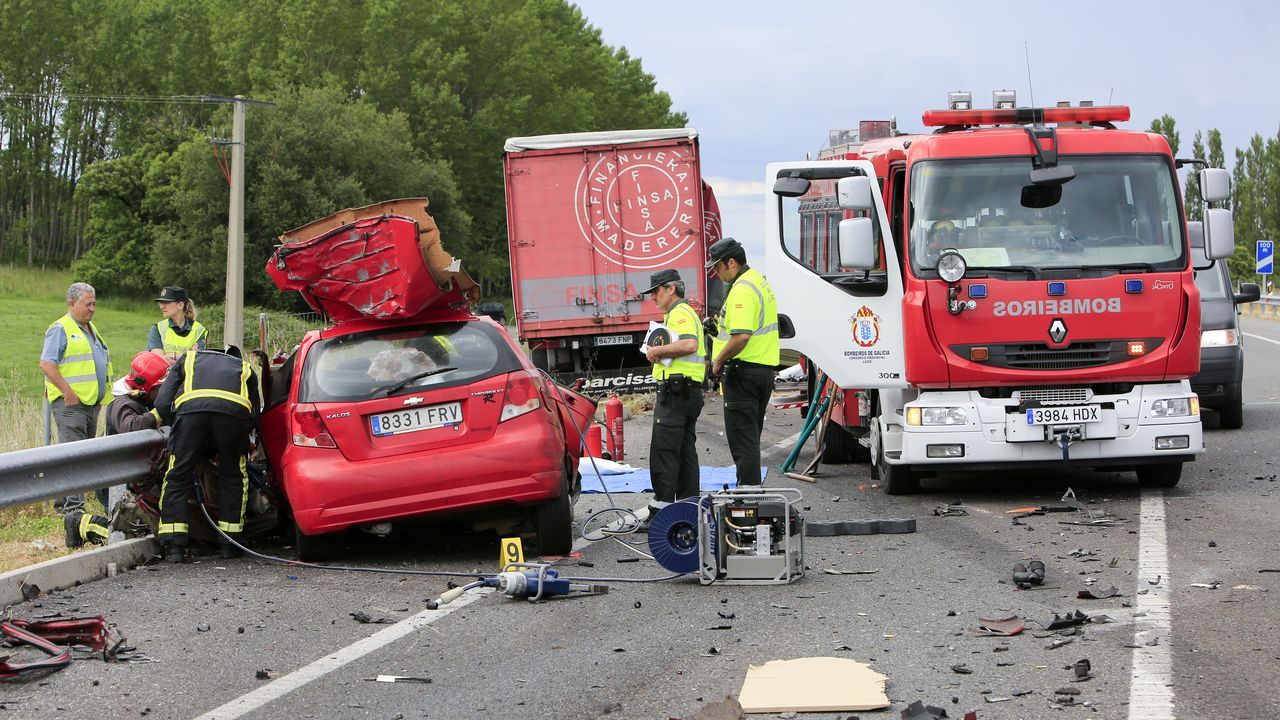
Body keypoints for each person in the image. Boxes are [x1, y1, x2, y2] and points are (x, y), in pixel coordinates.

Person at [154, 347, 260, 562]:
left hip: (191, 416)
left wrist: (179, 428)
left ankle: (174, 547)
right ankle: (229, 544)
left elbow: (162, 403)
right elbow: (255, 416)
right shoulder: (245, 368)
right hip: (233, 418)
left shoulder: (188, 359)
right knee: (233, 475)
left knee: (177, 475)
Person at [64, 352, 169, 548]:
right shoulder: (123, 404)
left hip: (136, 479)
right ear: (145, 386)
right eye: (160, 388)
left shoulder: (146, 402)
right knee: (130, 536)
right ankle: (80, 524)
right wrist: (160, 412)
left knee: (152, 528)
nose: (164, 392)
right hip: (115, 481)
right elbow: (133, 427)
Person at [706, 238, 779, 487]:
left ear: (731, 262)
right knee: (750, 435)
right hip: (760, 370)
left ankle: (748, 493)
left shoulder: (743, 289)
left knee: (742, 438)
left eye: (718, 266)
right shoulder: (757, 281)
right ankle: (748, 489)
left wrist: (718, 361)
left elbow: (742, 336)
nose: (716, 273)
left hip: (743, 372)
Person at [639, 269, 707, 527]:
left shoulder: (679, 313)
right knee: (685, 452)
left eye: (656, 291)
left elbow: (689, 345)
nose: (653, 297)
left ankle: (661, 513)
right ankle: (689, 510)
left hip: (675, 392)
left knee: (664, 452)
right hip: (687, 391)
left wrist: (657, 350)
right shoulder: (680, 313)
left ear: (671, 289)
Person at [40, 282, 112, 514]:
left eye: (94, 304)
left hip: (90, 404)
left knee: (81, 455)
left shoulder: (89, 328)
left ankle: (63, 504)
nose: (92, 309)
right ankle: (74, 509)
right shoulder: (60, 328)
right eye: (87, 304)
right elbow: (47, 364)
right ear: (72, 304)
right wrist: (68, 393)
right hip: (71, 405)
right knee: (74, 456)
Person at [147, 286, 207, 363]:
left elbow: (197, 361)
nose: (162, 307)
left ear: (180, 305)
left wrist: (172, 356)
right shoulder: (157, 328)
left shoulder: (199, 330)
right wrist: (188, 355)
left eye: (166, 302)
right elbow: (158, 361)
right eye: (161, 303)